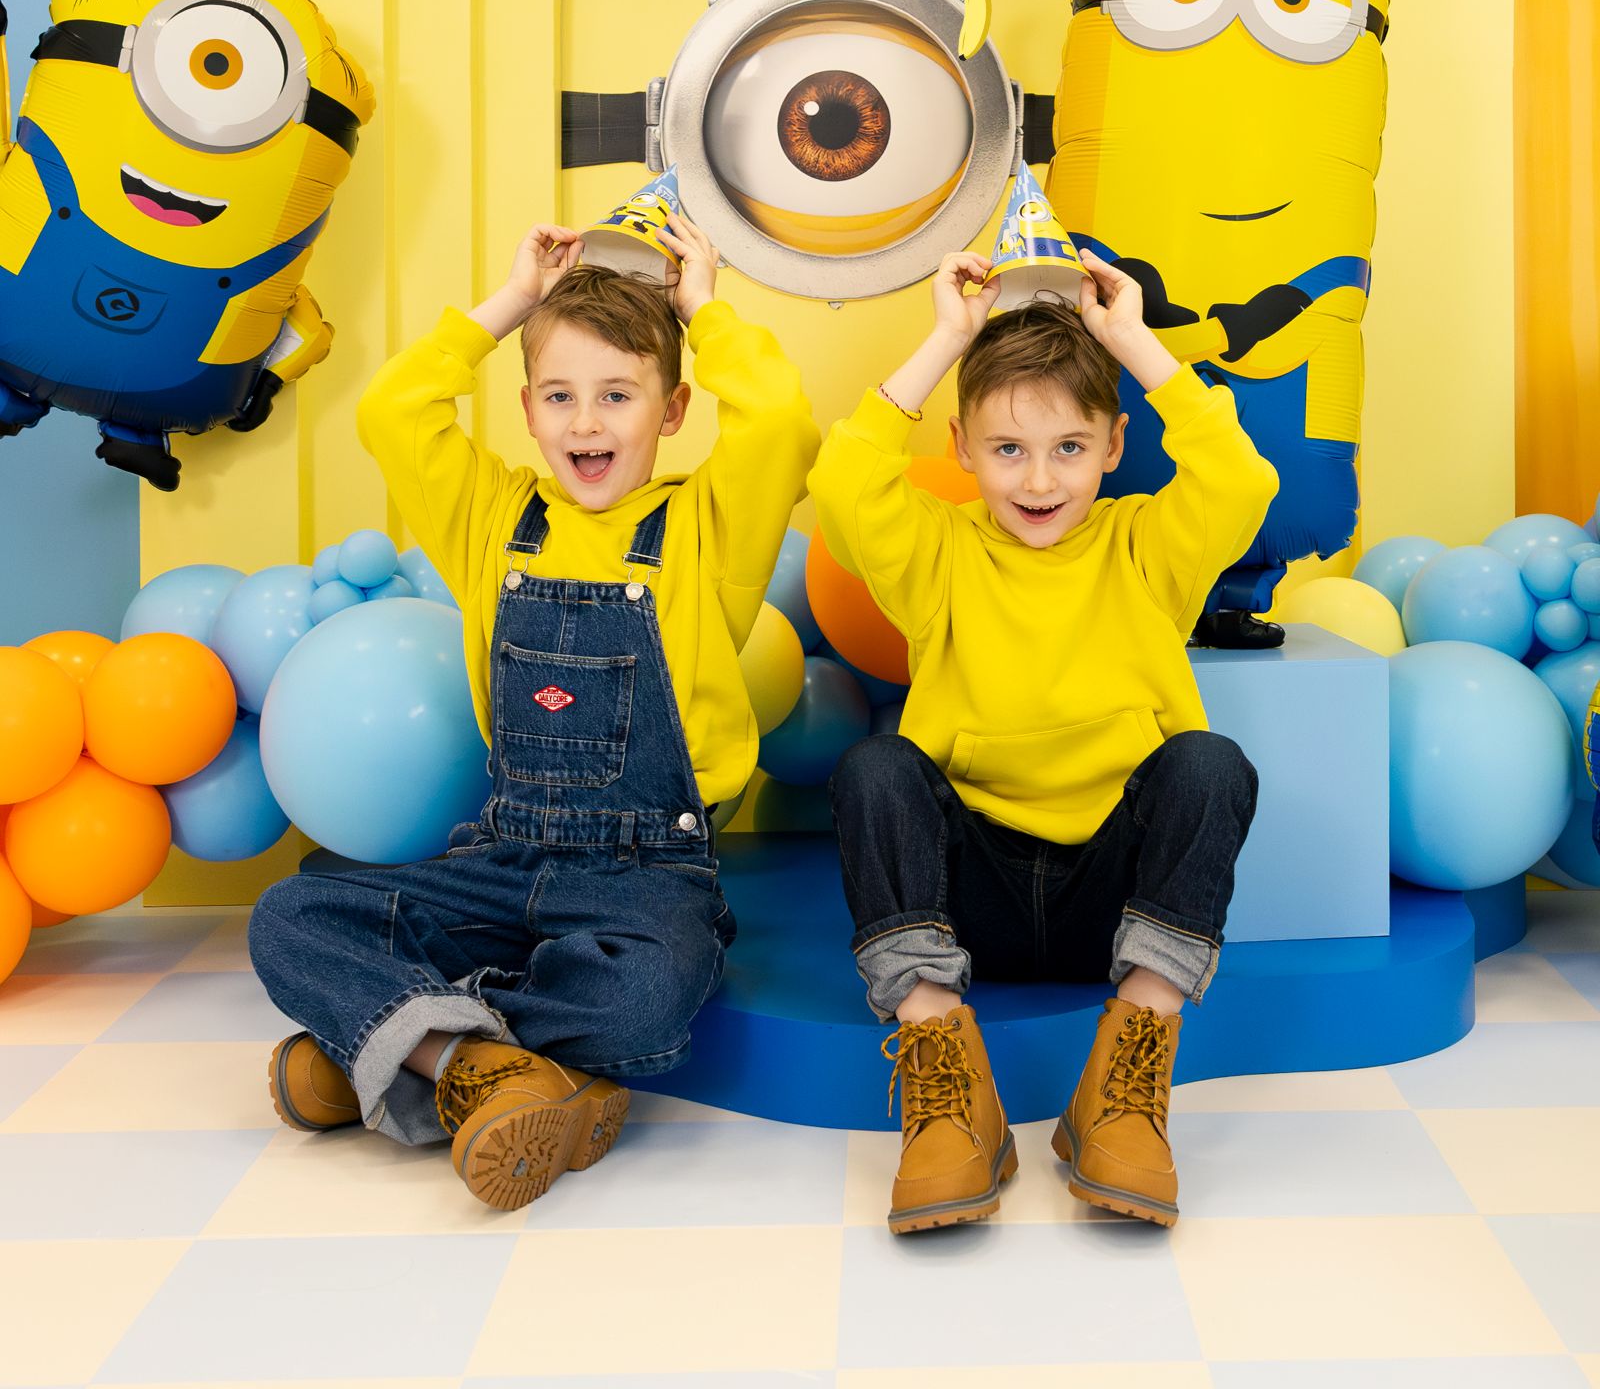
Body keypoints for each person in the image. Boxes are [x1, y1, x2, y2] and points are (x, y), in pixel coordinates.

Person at [250, 214, 818, 1211]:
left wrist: (703, 308)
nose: (585, 423)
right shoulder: (491, 515)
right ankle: (498, 1073)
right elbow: (393, 408)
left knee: (653, 993)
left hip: (645, 874)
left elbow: (781, 423)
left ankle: (407, 1049)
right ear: (525, 407)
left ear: (675, 407)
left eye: (616, 395)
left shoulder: (704, 530)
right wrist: (511, 302)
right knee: (290, 915)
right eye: (558, 396)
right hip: (503, 855)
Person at [818, 247, 1276, 1232]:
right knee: (872, 771)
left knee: (1210, 766)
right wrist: (946, 335)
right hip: (966, 895)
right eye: (1008, 450)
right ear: (964, 448)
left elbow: (1241, 478)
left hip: (1110, 903)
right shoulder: (935, 552)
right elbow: (843, 479)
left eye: (1068, 448)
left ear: (1114, 445)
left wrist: (1132, 341)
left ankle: (1124, 1086)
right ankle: (948, 1087)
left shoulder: (1150, 544)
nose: (1037, 479)